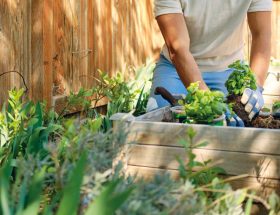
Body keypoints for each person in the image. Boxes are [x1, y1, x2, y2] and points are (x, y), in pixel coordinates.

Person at [147, 0, 272, 126]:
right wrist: (210, 102)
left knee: (239, 124)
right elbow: (178, 49)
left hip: (229, 70)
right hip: (176, 70)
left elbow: (261, 35)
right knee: (160, 122)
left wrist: (255, 86)